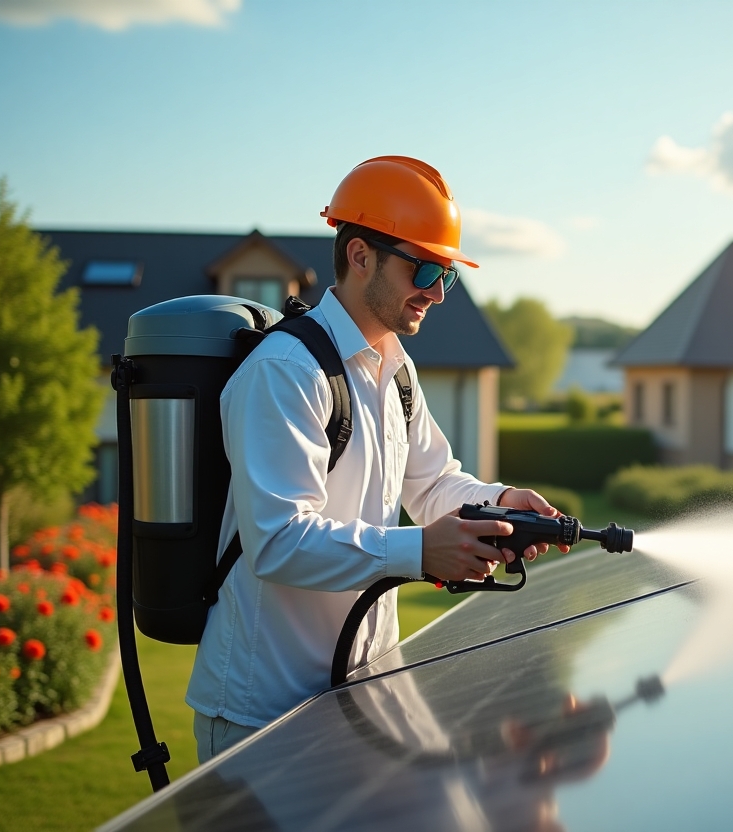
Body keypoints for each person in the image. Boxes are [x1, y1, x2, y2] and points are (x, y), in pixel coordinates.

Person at [186, 156, 566, 763]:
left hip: (355, 698)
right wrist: (419, 551)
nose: (437, 294)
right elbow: (278, 540)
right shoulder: (286, 372)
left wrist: (497, 505)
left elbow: (434, 481)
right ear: (360, 256)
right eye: (423, 269)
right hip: (261, 718)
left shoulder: (394, 368)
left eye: (448, 275)